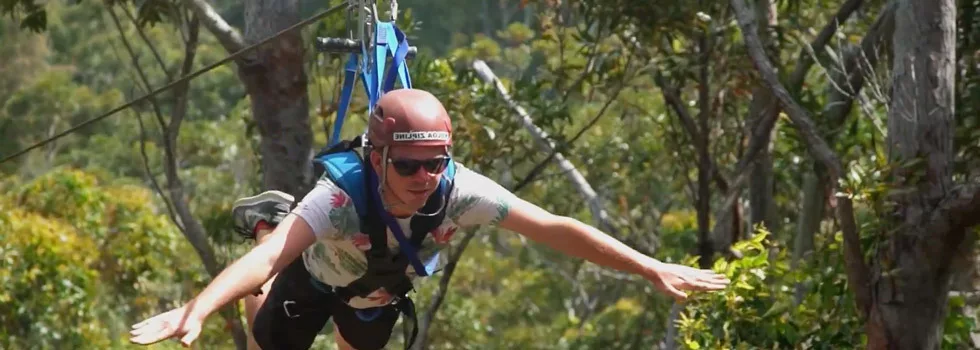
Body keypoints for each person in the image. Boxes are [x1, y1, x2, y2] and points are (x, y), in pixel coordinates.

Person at [128, 88, 730, 350]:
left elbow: (554, 227)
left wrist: (649, 267)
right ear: (377, 157)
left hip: (377, 289)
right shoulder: (336, 201)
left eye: (436, 163)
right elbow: (270, 259)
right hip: (314, 271)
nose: (425, 178)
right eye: (410, 165)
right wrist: (196, 309)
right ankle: (267, 216)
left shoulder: (459, 190)